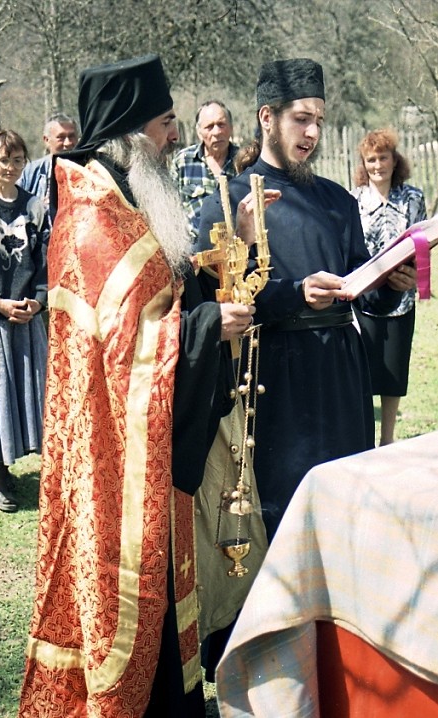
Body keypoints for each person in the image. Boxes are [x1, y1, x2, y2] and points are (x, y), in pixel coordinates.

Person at [17, 54, 255, 718]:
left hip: (145, 451)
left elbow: (164, 295)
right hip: (110, 461)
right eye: (164, 123)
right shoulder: (92, 219)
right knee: (127, 595)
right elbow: (127, 353)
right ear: (128, 131)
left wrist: (219, 275)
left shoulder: (125, 196)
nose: (175, 136)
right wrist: (207, 329)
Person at [198, 58, 417, 544]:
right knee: (284, 517)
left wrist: (390, 284)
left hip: (342, 373)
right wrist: (296, 293)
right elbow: (214, 298)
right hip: (273, 378)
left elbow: (360, 283)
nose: (313, 132)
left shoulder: (338, 201)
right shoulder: (229, 202)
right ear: (267, 117)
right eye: (301, 118)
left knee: (347, 507)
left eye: (319, 119)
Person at [351, 129, 427, 445]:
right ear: (363, 164)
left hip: (401, 296)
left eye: (383, 158)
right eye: (371, 159)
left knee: (394, 372)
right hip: (365, 299)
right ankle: (365, 438)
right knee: (364, 371)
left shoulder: (413, 198)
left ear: (395, 160)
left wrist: (415, 276)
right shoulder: (353, 200)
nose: (378, 165)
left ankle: (387, 439)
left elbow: (422, 245)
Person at [0, 129, 48, 513]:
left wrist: (38, 301)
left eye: (16, 160)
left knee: (29, 394)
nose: (9, 167)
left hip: (27, 319)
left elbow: (47, 260)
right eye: (2, 160)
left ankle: (45, 469)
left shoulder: (35, 207)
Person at [171, 100, 239, 243]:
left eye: (221, 124)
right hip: (194, 248)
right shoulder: (183, 161)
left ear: (231, 128)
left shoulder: (244, 161)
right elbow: (171, 209)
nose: (217, 132)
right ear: (199, 132)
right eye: (209, 127)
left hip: (237, 248)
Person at [19, 112, 79, 211]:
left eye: (72, 136)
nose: (68, 143)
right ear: (46, 140)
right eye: (61, 137)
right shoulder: (30, 172)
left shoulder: (88, 169)